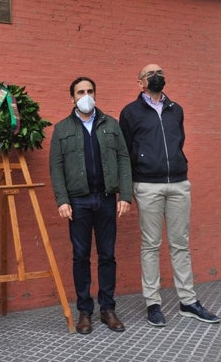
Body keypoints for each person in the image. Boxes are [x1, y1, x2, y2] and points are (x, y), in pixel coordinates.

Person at [119, 64, 220, 327]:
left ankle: (188, 301)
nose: (157, 76)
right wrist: (127, 188)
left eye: (160, 71)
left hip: (178, 183)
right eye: (151, 73)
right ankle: (153, 303)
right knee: (150, 246)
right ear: (140, 81)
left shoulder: (176, 110)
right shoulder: (130, 113)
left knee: (181, 245)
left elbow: (179, 142)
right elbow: (126, 152)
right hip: (147, 185)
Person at [49, 76, 132, 335]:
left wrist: (125, 195)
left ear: (95, 94)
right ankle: (84, 311)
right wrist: (62, 200)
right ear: (72, 97)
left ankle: (107, 309)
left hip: (106, 199)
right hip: (79, 202)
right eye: (80, 92)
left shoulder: (111, 125)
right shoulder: (62, 129)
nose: (85, 95)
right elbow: (56, 166)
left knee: (107, 255)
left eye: (89, 91)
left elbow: (123, 159)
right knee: (81, 256)